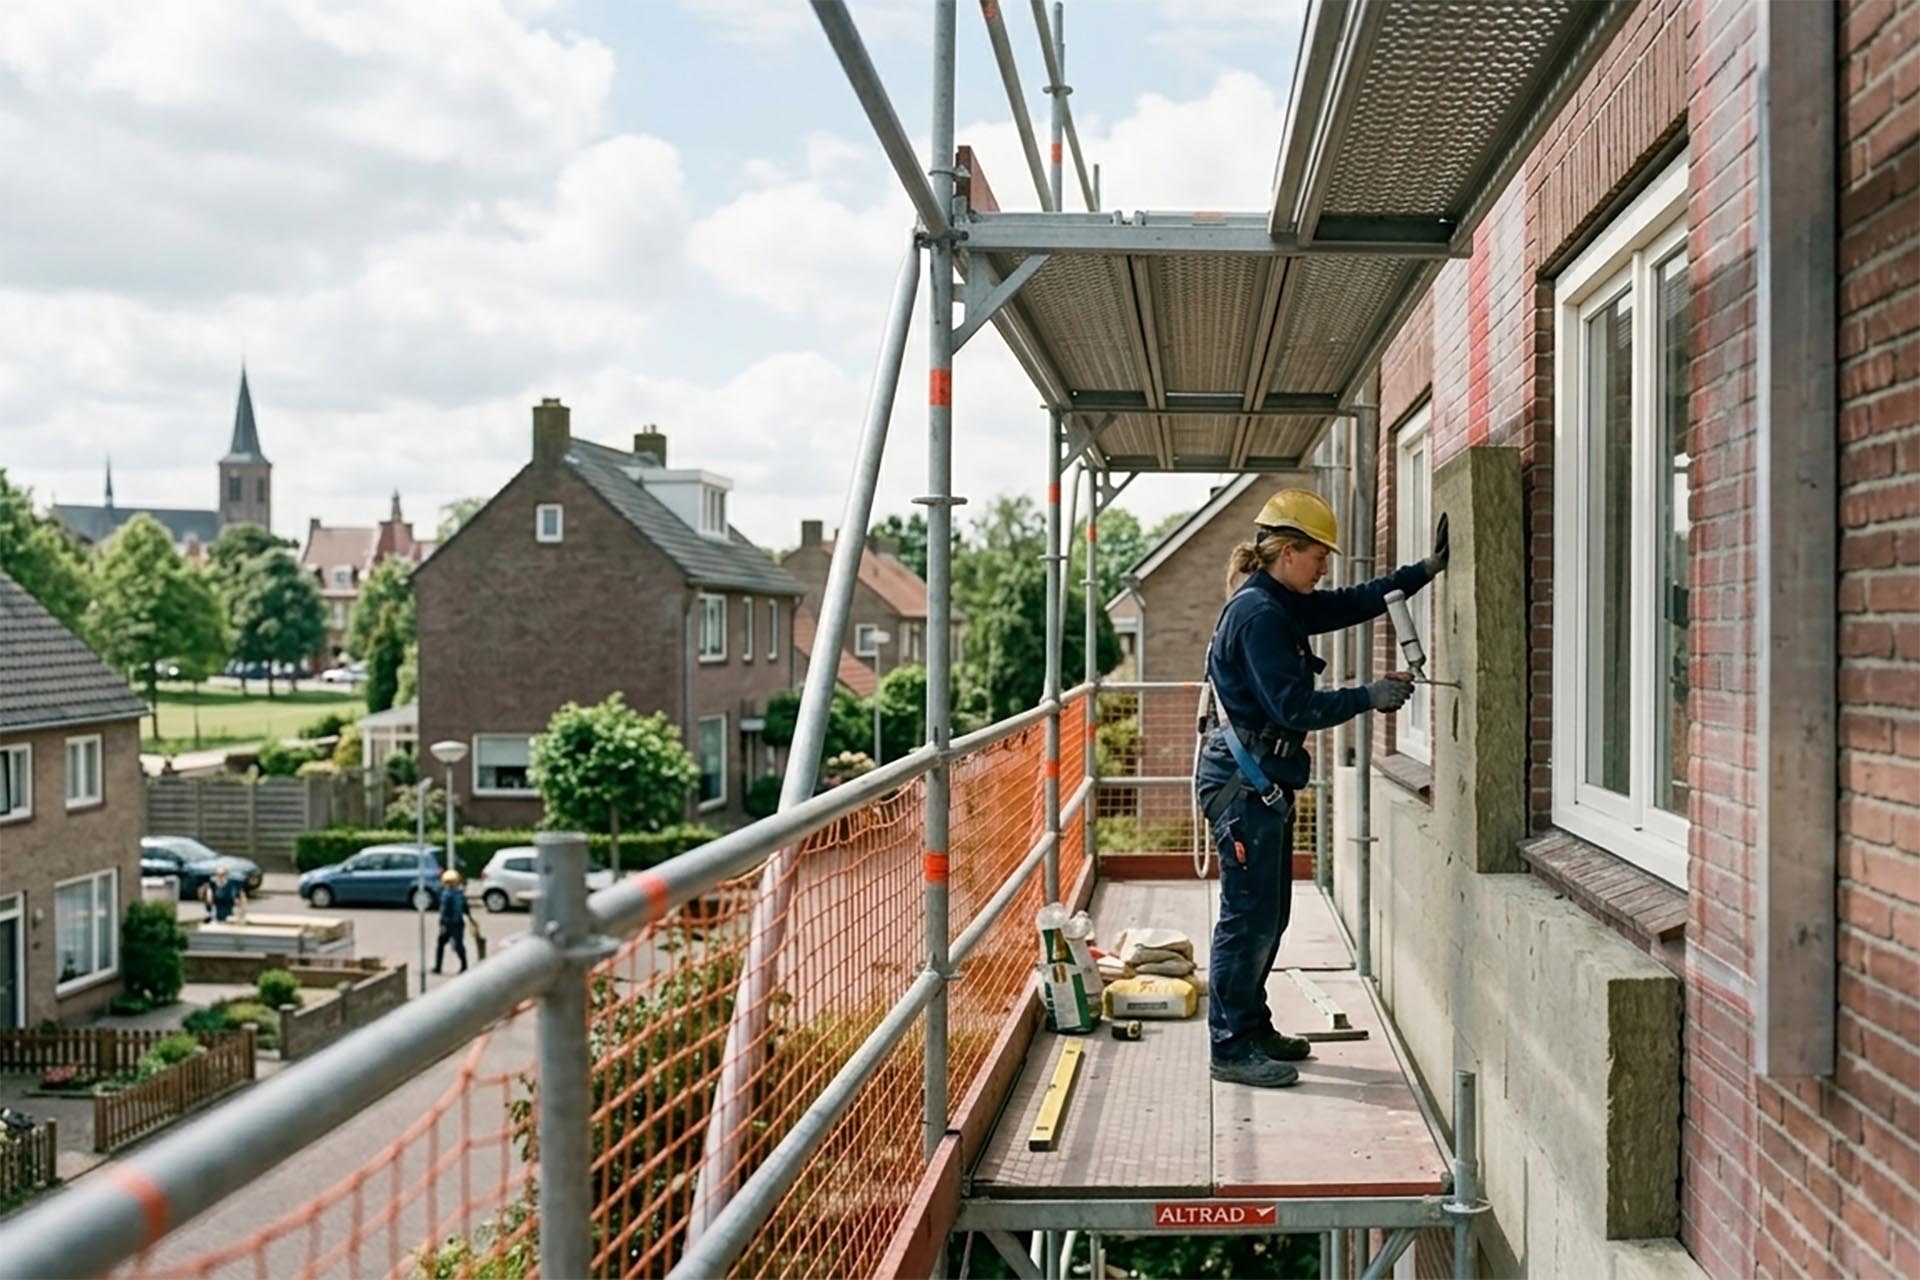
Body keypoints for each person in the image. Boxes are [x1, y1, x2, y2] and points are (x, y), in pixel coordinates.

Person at [1195, 488, 1448, 1088]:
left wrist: (1423, 572)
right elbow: (1294, 706)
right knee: (1248, 920)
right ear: (1288, 552)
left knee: (1270, 915)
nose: (1324, 569)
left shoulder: (1279, 601)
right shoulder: (1260, 616)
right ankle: (1230, 1047)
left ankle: (1252, 1027)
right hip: (1244, 785)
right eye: (1318, 556)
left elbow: (1352, 603)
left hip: (1258, 781)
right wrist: (1369, 696)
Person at [433, 869, 476, 974]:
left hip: (448, 923)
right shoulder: (460, 894)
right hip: (459, 923)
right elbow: (465, 908)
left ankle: (438, 967)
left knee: (441, 944)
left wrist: (442, 923)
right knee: (459, 945)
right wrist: (470, 918)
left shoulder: (446, 894)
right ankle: (464, 965)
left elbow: (444, 910)